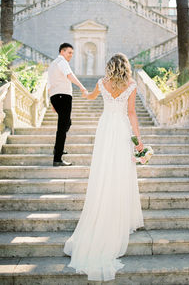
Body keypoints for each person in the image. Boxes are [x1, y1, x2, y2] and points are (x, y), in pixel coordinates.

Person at [63, 53, 144, 281]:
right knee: (121, 172)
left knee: (103, 171)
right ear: (126, 68)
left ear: (109, 67)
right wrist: (139, 140)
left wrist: (85, 93)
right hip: (121, 129)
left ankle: (104, 208)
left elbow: (90, 97)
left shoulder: (101, 83)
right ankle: (120, 214)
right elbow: (131, 113)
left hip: (106, 128)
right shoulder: (131, 85)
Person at [48, 43, 88, 166]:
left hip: (56, 96)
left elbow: (49, 84)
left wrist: (52, 101)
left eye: (72, 53)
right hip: (63, 97)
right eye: (69, 52)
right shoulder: (62, 62)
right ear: (62, 51)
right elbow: (70, 75)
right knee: (62, 127)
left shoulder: (52, 64)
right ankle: (57, 158)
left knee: (66, 123)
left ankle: (57, 149)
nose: (71, 55)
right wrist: (82, 87)